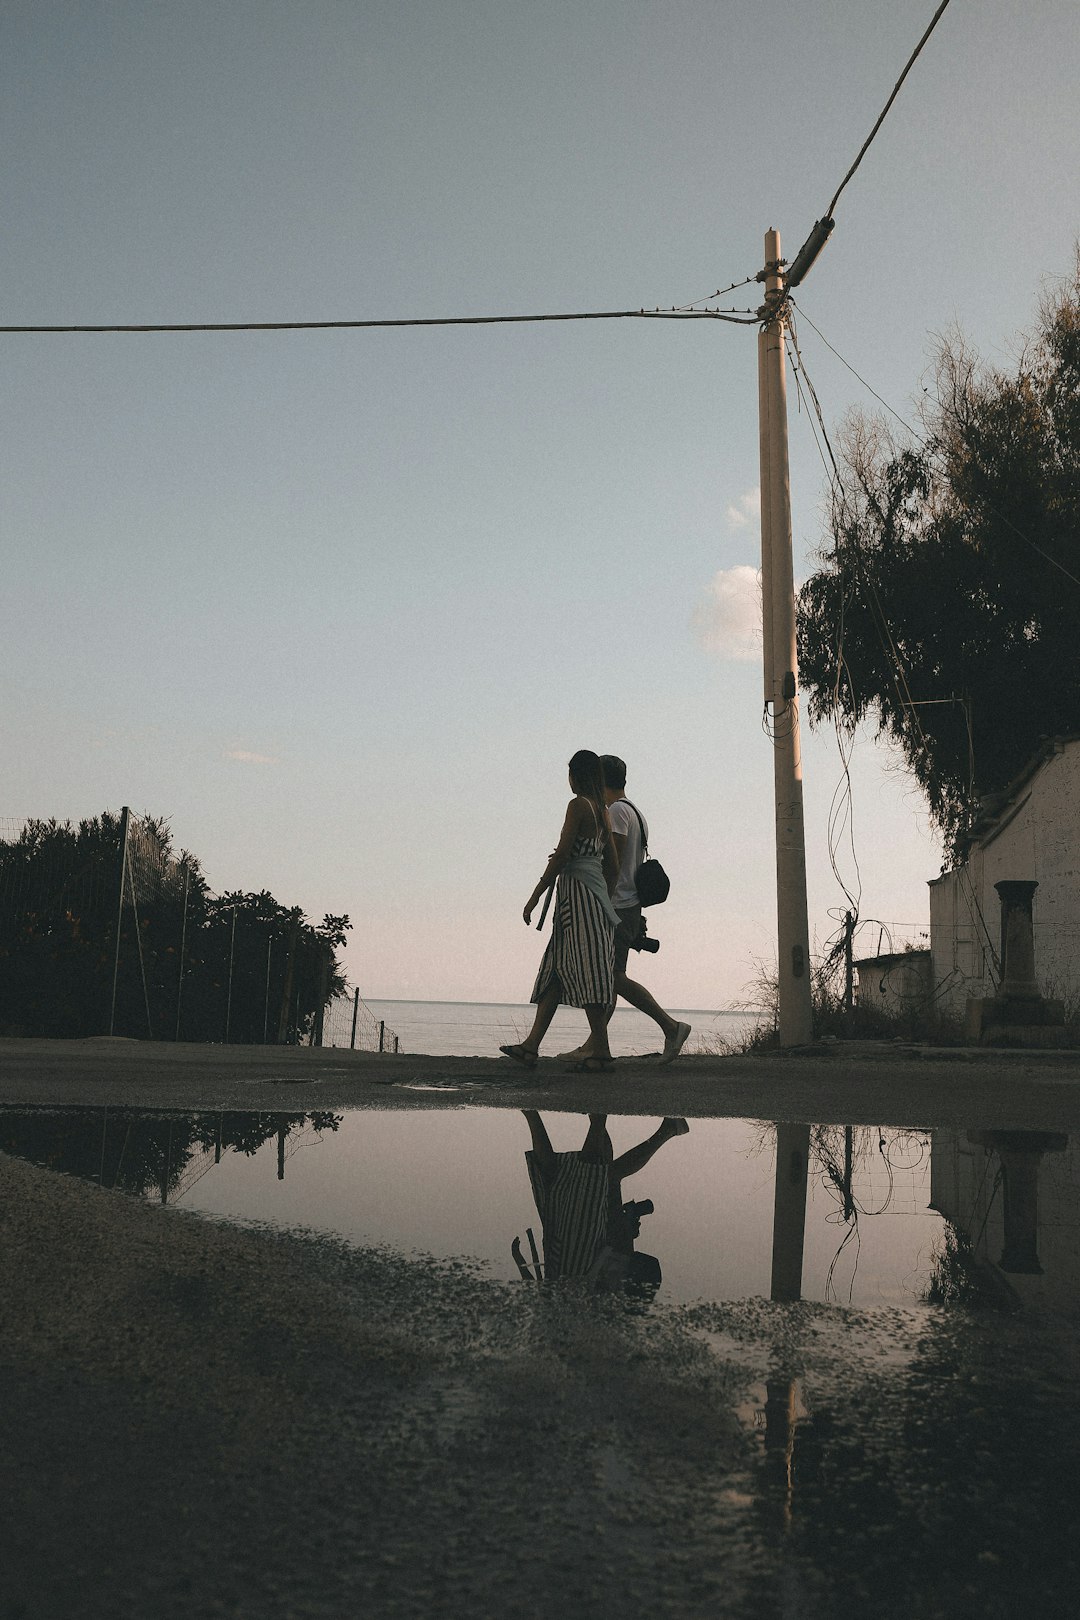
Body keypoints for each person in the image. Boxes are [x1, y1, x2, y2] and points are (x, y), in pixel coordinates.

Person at [562, 755, 691, 1065]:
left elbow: (614, 861)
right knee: (609, 978)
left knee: (612, 977)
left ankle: (671, 1027)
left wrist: (601, 903)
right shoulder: (636, 813)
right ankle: (594, 1044)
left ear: (600, 779)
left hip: (617, 904)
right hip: (629, 904)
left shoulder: (617, 812)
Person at [499, 749, 619, 1072]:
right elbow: (614, 868)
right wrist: (603, 898)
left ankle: (602, 1049)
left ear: (576, 776)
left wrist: (535, 896)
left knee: (587, 971)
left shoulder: (578, 806)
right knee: (556, 969)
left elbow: (563, 854)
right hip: (591, 900)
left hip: (575, 900)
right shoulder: (603, 813)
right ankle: (531, 1046)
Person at [513, 1111, 689, 1286]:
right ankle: (600, 1115)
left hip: (560, 1255)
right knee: (592, 1175)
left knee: (552, 1176)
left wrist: (521, 1261)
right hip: (580, 1260)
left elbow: (533, 1289)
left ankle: (543, 1113)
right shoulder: (597, 1307)